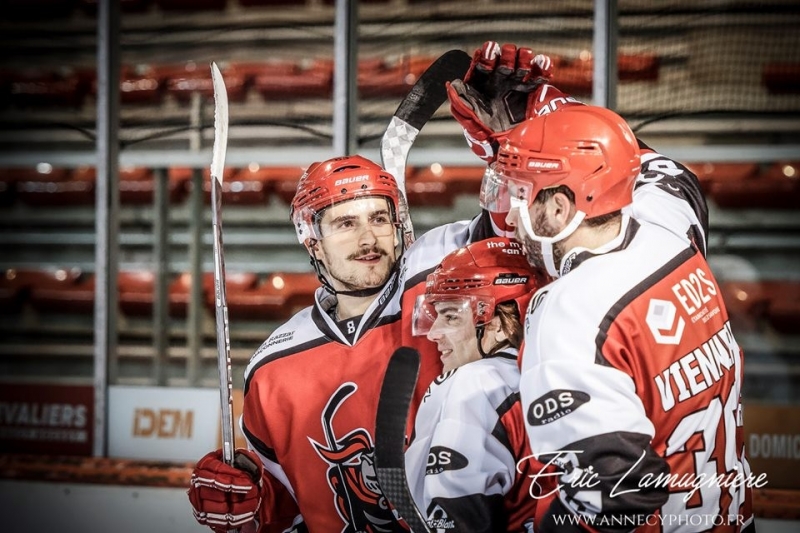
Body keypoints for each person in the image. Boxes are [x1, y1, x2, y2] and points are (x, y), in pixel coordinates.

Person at [187, 155, 522, 532]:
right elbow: (282, 507)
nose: (368, 238)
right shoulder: (273, 367)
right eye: (345, 223)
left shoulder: (440, 276)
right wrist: (243, 493)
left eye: (379, 219)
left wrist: (500, 145)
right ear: (312, 241)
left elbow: (507, 224)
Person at [481, 106, 755, 531]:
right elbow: (664, 171)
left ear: (558, 208)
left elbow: (617, 492)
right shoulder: (671, 235)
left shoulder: (567, 312)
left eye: (519, 195)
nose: (509, 219)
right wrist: (551, 113)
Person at [404, 237, 555, 532]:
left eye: (450, 316)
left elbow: (457, 515)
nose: (433, 333)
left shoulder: (475, 383)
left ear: (497, 323)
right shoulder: (548, 372)